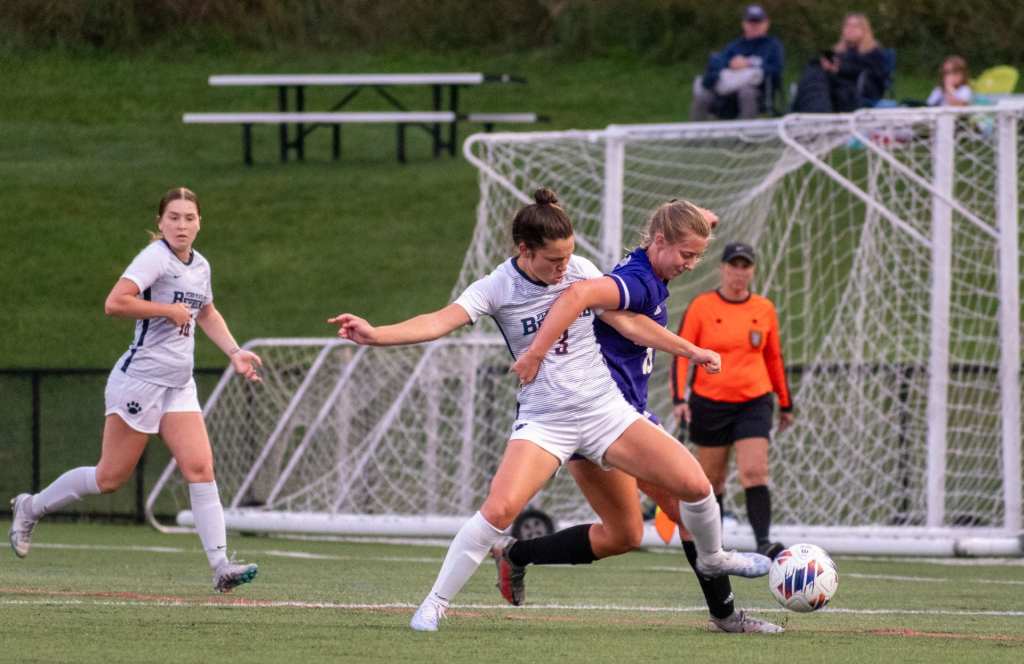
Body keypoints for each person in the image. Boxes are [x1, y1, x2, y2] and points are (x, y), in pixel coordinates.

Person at [328, 188, 771, 632]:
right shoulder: (498, 286)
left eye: (569, 258)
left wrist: (691, 351)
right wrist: (377, 333)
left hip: (604, 411)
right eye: (554, 261)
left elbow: (627, 322)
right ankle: (434, 604)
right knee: (499, 511)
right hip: (546, 421)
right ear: (525, 250)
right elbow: (440, 321)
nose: (564, 269)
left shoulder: (579, 270)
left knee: (686, 492)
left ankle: (714, 565)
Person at [494, 200, 782, 634]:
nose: (691, 264)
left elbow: (681, 229)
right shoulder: (635, 280)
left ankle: (516, 554)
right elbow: (582, 295)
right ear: (660, 241)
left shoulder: (651, 267)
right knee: (688, 501)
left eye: (697, 255)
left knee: (624, 535)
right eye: (686, 255)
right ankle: (726, 617)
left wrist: (698, 219)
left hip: (627, 415)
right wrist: (535, 352)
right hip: (602, 420)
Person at [8, 187, 263, 593]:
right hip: (140, 381)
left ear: (200, 223)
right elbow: (115, 302)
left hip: (179, 384)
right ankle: (31, 506)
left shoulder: (200, 265)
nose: (182, 225)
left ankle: (220, 567)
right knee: (110, 478)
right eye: (174, 217)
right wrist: (165, 309)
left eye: (189, 218)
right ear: (160, 222)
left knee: (200, 468)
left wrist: (234, 352)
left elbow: (207, 311)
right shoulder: (154, 259)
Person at [670, 242, 793, 560]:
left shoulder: (764, 308)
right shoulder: (702, 306)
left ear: (752, 271)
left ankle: (764, 541)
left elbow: (774, 357)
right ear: (722, 268)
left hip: (754, 400)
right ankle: (716, 547)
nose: (739, 272)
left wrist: (785, 400)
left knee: (754, 471)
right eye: (733, 265)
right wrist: (678, 397)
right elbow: (682, 353)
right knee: (713, 480)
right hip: (710, 402)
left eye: (745, 266)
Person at [690, 4, 784, 121]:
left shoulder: (773, 46)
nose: (754, 26)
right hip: (726, 92)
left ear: (766, 24)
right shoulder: (734, 46)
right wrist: (730, 64)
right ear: (744, 24)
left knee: (746, 93)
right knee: (702, 96)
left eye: (758, 22)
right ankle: (698, 136)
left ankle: (744, 135)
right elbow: (716, 66)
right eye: (751, 22)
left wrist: (749, 65)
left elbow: (776, 70)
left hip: (757, 92)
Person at [791, 13, 888, 113]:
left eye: (855, 26)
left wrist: (839, 69)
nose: (850, 29)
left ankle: (814, 114)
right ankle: (814, 113)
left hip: (856, 91)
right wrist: (825, 64)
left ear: (865, 31)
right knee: (814, 69)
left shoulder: (873, 52)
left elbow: (869, 75)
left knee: (815, 81)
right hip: (832, 86)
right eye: (847, 25)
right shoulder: (838, 52)